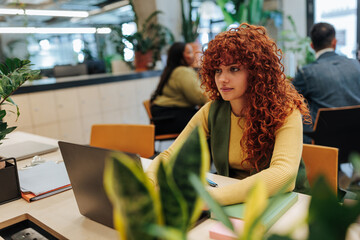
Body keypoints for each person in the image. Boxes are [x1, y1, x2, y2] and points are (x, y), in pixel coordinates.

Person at [146, 23, 310, 205]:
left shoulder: (285, 110)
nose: (222, 79)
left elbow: (284, 174)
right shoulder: (212, 111)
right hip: (233, 199)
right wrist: (149, 182)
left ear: (257, 71)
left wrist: (210, 199)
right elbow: (170, 155)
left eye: (234, 69)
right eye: (218, 70)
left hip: (286, 203)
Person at [292, 22, 360, 142]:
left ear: (312, 46)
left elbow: (288, 100)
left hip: (322, 144)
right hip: (355, 141)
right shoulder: (356, 65)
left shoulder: (306, 73)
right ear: (334, 42)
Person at [150, 42, 208, 135]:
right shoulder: (183, 71)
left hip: (162, 117)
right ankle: (204, 149)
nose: (193, 55)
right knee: (207, 121)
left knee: (203, 117)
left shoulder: (172, 70)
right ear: (180, 56)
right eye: (189, 52)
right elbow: (198, 98)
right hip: (169, 118)